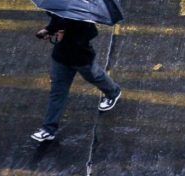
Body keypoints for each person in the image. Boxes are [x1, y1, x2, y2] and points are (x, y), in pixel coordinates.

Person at [30, 12, 122, 142]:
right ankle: (48, 129)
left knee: (95, 76)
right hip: (61, 58)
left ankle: (113, 92)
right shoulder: (61, 10)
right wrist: (49, 30)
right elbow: (56, 21)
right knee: (57, 92)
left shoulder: (83, 14)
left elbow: (92, 33)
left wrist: (65, 34)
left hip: (81, 58)